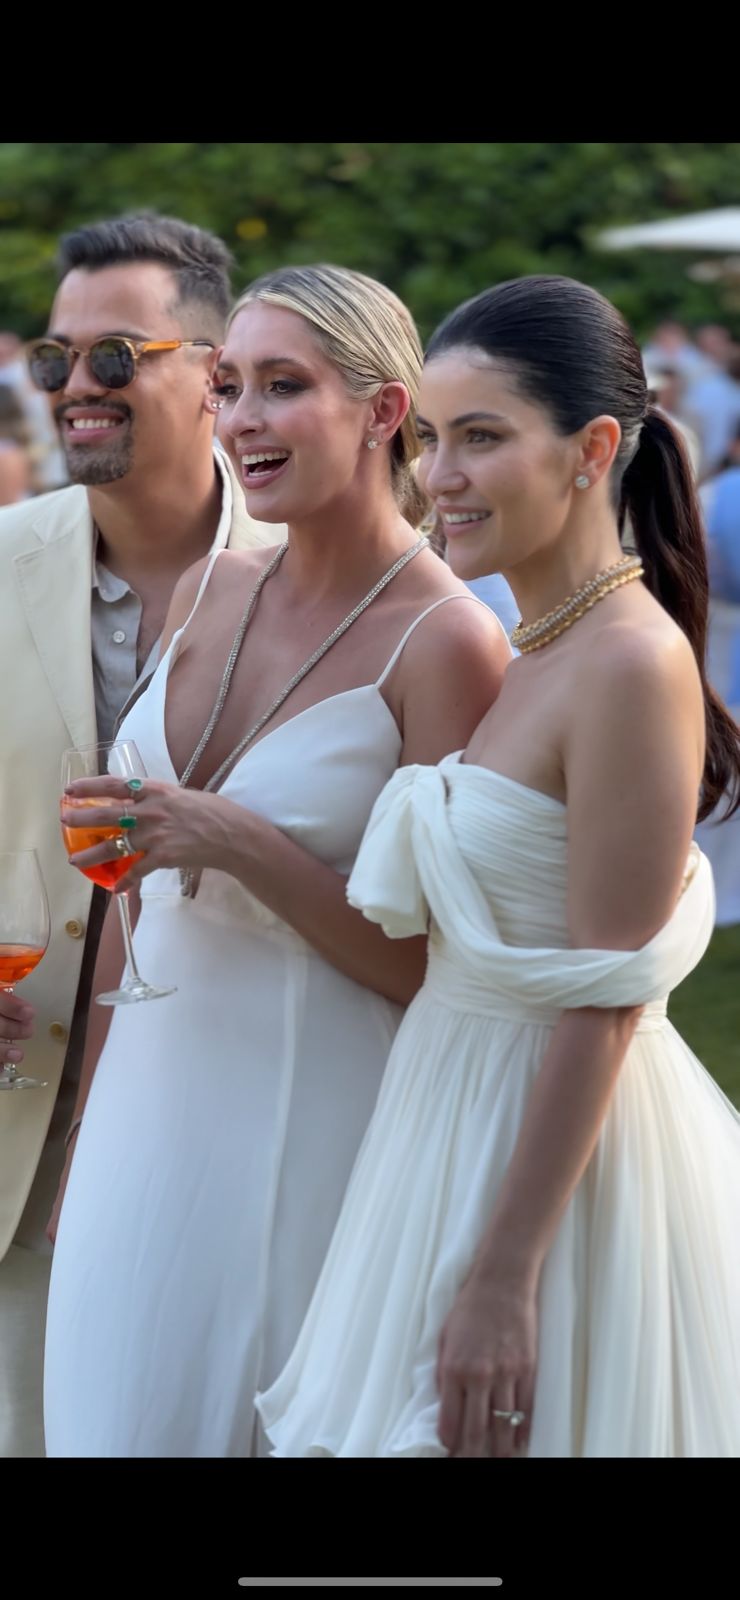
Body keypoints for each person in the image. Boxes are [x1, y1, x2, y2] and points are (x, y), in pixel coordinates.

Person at [257, 274, 740, 1459]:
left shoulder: (627, 663)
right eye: (428, 438)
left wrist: (504, 1274)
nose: (438, 475)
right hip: (444, 1115)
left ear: (591, 450)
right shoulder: (537, 649)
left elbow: (602, 996)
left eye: (480, 437)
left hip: (552, 1163)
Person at [43, 263, 511, 1457]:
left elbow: (446, 974)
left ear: (383, 410)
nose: (243, 419)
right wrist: (88, 1121)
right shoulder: (210, 587)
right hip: (137, 1126)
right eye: (231, 385)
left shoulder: (447, 641)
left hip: (311, 1135)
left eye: (283, 386)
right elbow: (136, 906)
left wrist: (240, 842)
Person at [0, 211, 277, 1459]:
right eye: (55, 359)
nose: (75, 387)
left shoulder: (328, 579)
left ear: (216, 373)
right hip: (20, 1151)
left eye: (115, 355)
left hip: (241, 1136)